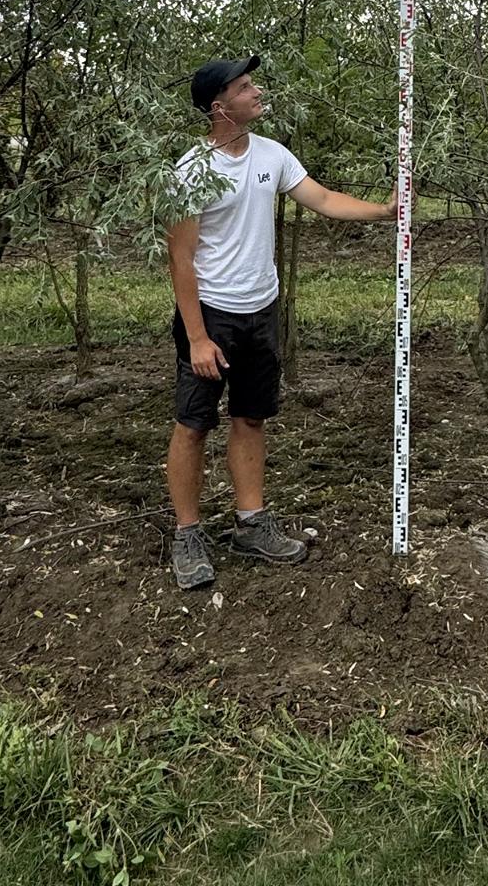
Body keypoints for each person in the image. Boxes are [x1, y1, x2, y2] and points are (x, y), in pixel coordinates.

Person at [166, 54, 394, 590]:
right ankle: (188, 534)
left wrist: (384, 212)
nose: (257, 91)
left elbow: (322, 199)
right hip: (212, 316)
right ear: (220, 106)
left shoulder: (272, 155)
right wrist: (197, 337)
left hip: (260, 312)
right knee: (194, 424)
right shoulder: (190, 171)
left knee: (250, 418)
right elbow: (180, 259)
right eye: (246, 87)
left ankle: (250, 523)